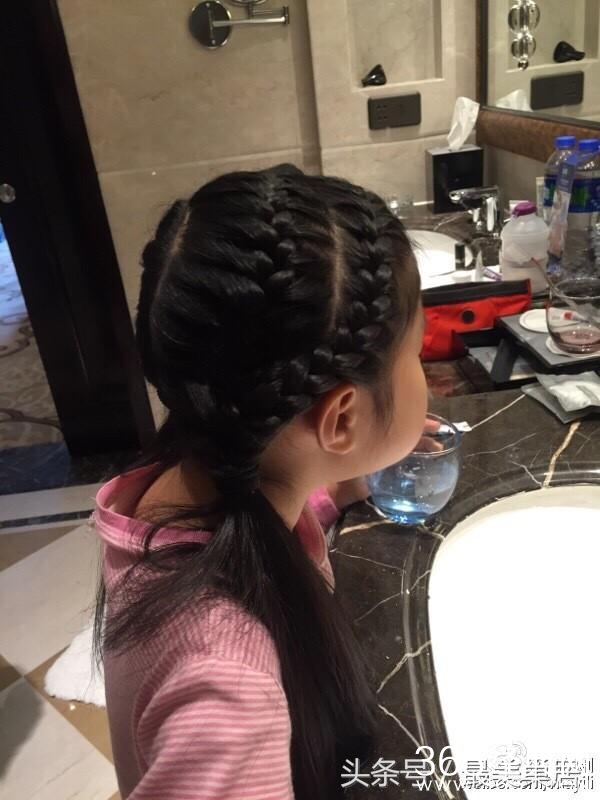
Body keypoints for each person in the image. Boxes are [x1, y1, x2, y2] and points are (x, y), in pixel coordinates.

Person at [91, 164, 427, 800]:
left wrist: (338, 481)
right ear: (342, 417)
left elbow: (278, 494)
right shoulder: (228, 690)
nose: (424, 376)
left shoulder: (178, 489)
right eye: (417, 353)